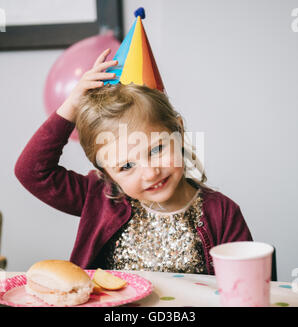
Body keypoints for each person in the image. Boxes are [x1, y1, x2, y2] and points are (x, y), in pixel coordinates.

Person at [14, 48, 252, 275]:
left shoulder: (222, 213)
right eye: (126, 166)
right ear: (107, 173)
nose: (150, 173)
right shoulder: (99, 197)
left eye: (156, 149)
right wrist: (72, 105)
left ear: (178, 131)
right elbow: (32, 172)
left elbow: (248, 288)